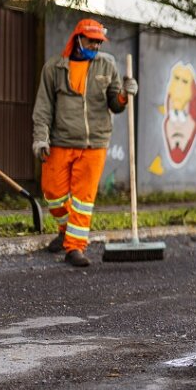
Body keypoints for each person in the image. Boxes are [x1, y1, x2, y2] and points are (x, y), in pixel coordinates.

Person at [32, 19, 137, 267]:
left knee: (83, 198)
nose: (96, 46)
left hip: (95, 144)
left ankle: (75, 248)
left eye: (99, 42)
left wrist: (124, 94)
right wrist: (40, 138)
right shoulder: (54, 69)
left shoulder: (107, 64)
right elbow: (43, 108)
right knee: (52, 192)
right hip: (60, 141)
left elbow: (115, 104)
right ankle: (66, 231)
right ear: (77, 39)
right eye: (92, 41)